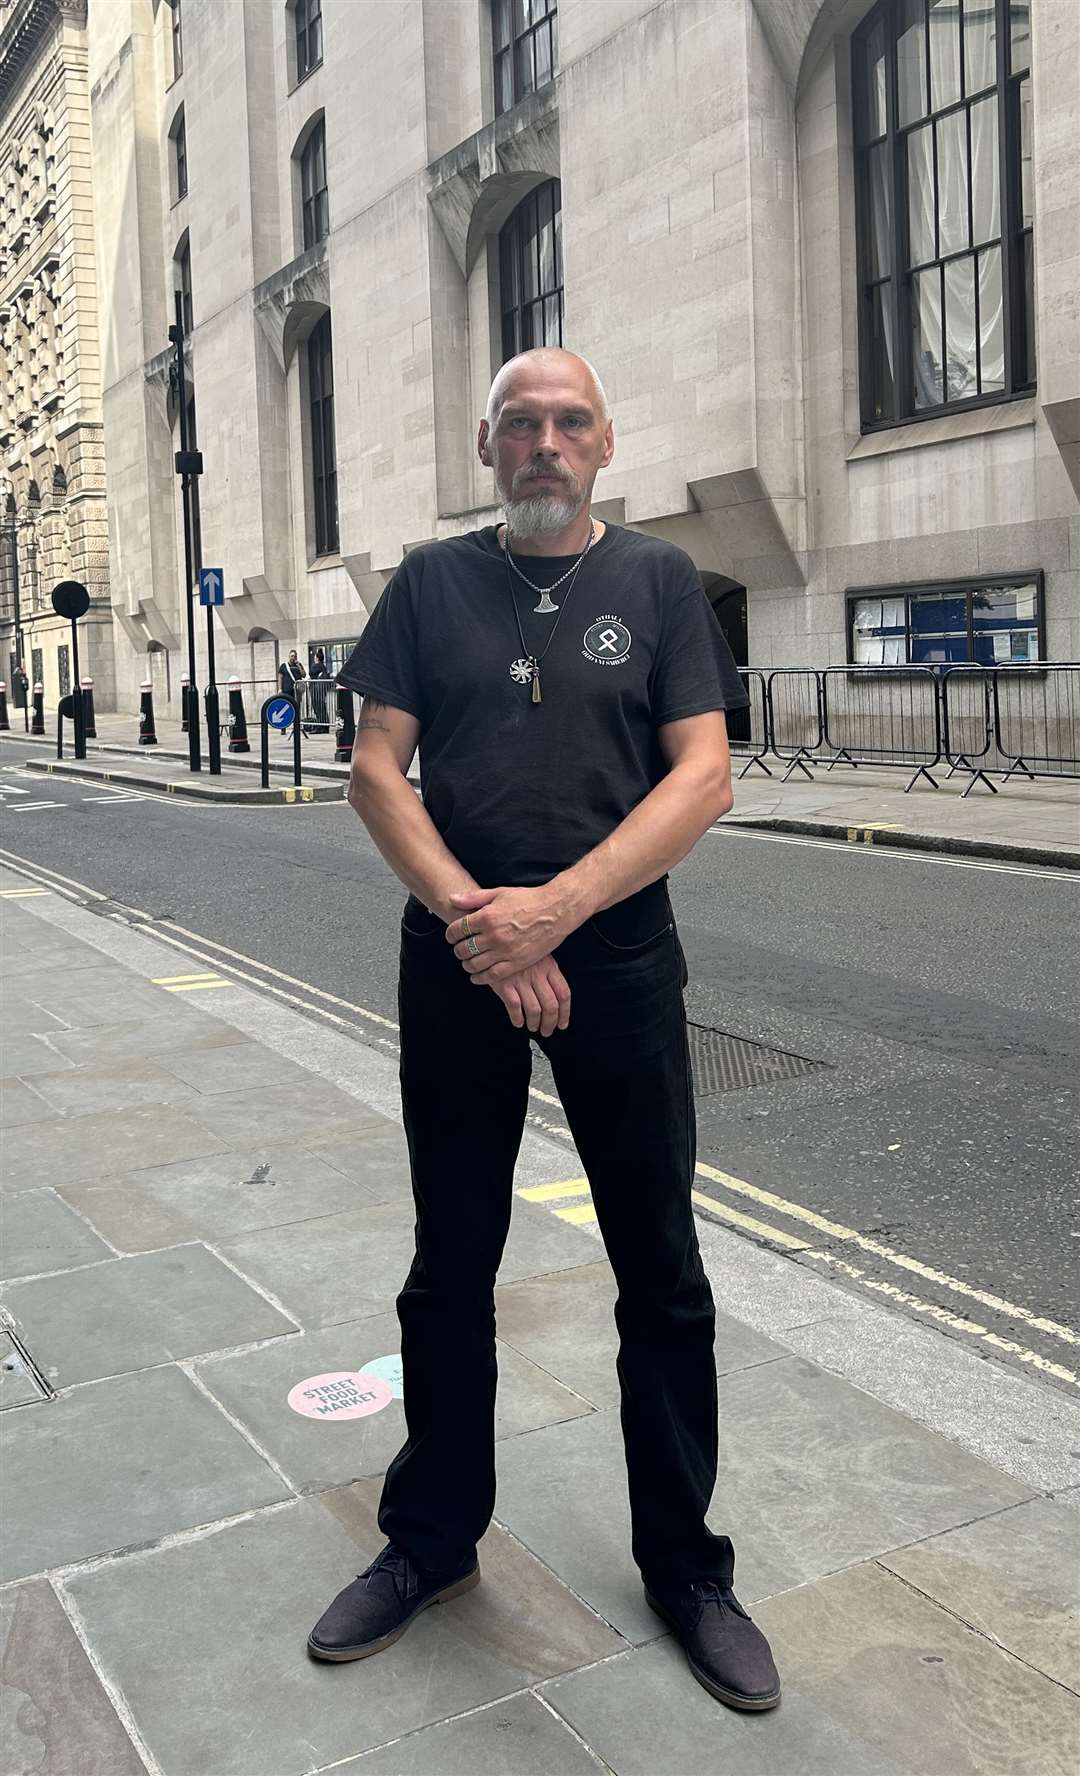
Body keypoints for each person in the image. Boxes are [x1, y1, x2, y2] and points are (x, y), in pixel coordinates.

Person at [308, 348, 781, 1713]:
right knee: (449, 1265)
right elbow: (375, 767)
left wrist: (555, 915)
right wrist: (481, 923)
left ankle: (687, 1568)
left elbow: (705, 777)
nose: (545, 444)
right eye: (522, 424)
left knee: (663, 1272)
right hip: (457, 962)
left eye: (569, 423)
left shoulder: (659, 584)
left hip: (620, 959)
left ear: (605, 444)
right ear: (488, 443)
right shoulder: (428, 584)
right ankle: (430, 1542)